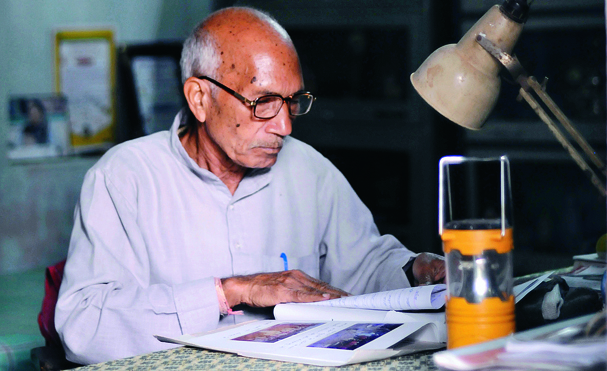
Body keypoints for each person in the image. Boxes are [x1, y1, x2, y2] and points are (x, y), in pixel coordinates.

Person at [55, 6, 445, 365]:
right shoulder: (124, 178)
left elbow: (364, 264)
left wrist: (413, 270)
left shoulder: (308, 169)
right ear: (200, 98)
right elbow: (83, 328)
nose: (285, 126)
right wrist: (230, 291)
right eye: (264, 102)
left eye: (292, 102)